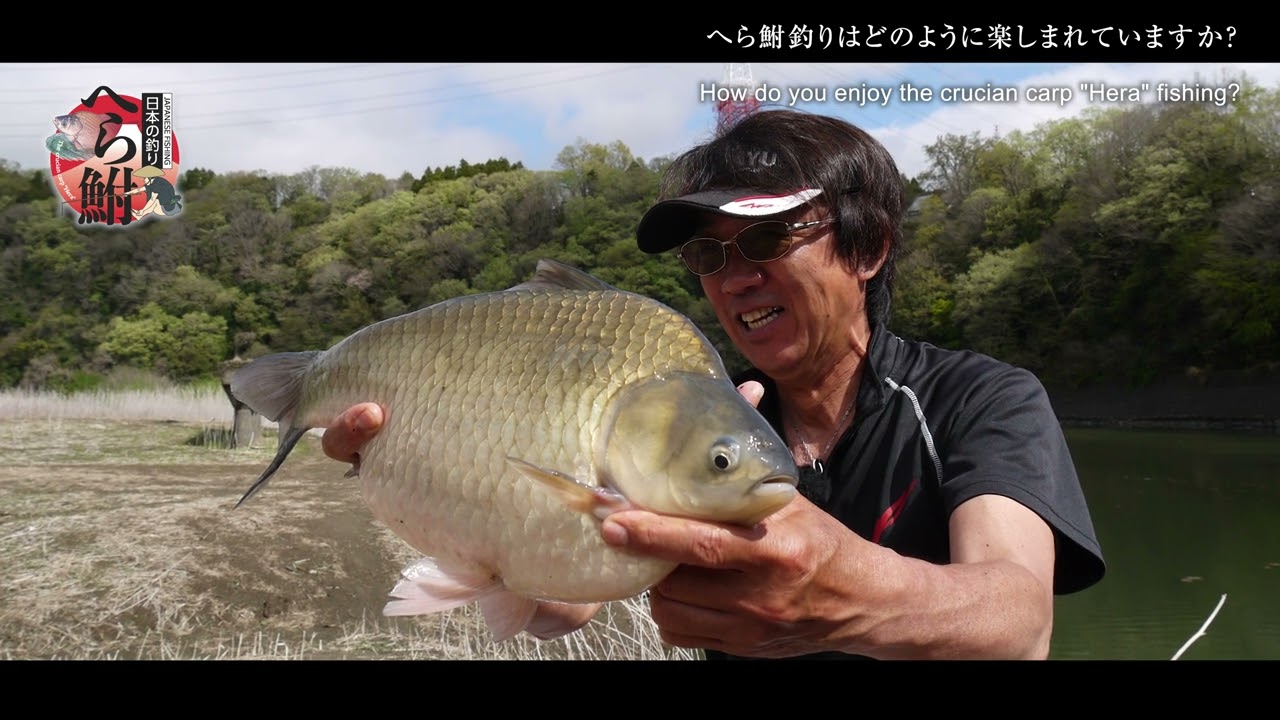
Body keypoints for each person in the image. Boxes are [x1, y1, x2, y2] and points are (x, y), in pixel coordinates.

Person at [320, 108, 1106, 659]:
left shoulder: (979, 398)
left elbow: (1016, 619)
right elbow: (563, 606)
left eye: (766, 235)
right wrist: (445, 484)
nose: (736, 277)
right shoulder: (690, 411)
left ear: (869, 249)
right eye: (708, 255)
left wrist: (844, 596)